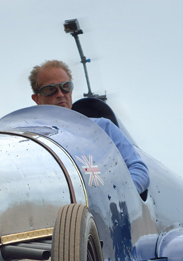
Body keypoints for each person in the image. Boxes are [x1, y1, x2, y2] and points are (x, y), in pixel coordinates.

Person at [29, 60, 149, 194]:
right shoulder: (31, 140)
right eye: (50, 89)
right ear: (37, 98)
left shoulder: (103, 128)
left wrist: (120, 196)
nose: (60, 94)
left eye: (66, 86)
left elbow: (138, 168)